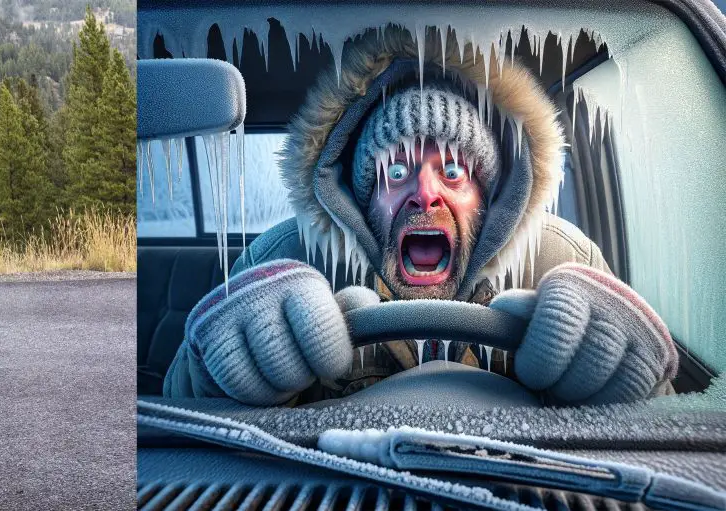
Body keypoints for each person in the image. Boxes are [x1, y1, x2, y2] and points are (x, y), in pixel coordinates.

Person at [162, 28, 678, 406]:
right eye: (396, 170)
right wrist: (213, 370)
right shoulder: (283, 263)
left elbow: (655, 425)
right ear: (363, 200)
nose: (424, 194)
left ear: (490, 194)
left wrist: (639, 379)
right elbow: (185, 410)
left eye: (453, 170)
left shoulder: (560, 259)